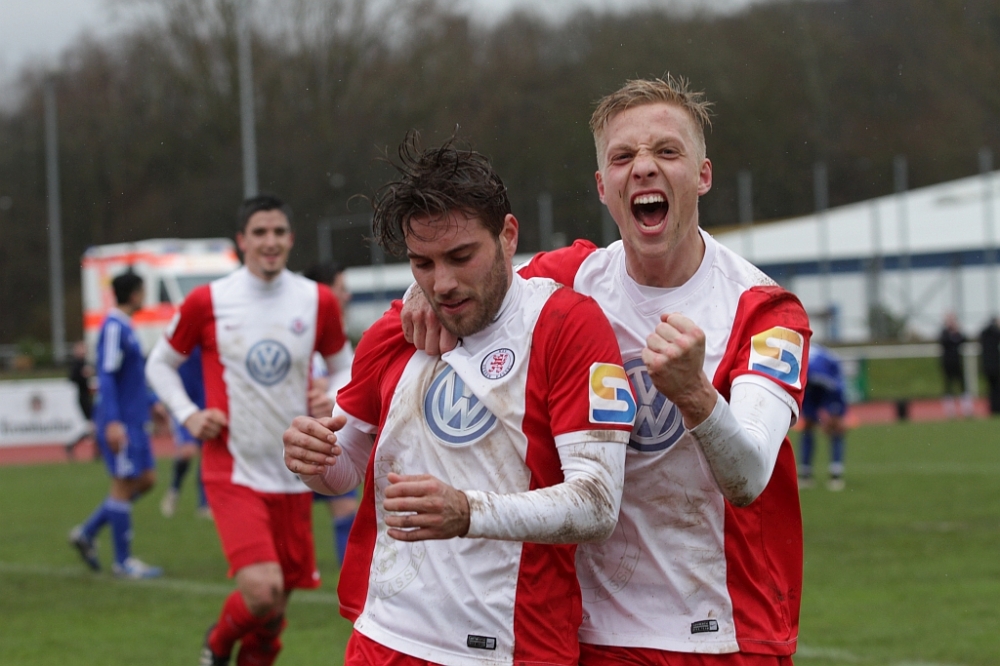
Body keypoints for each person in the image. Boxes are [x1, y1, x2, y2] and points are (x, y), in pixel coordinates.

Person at [403, 76, 811, 664]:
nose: (643, 168)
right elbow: (471, 274)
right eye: (623, 157)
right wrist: (418, 291)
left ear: (702, 175)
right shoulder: (570, 279)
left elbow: (749, 478)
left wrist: (695, 395)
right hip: (590, 633)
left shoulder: (763, 309)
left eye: (666, 151)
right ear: (603, 186)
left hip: (721, 629)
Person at [282, 135, 637, 665]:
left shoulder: (566, 324)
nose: (442, 283)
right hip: (385, 638)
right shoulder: (393, 330)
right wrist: (313, 459)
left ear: (509, 236)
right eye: (421, 263)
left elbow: (597, 505)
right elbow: (347, 467)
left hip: (511, 646)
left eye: (461, 256)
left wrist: (467, 511)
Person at [145, 194, 352, 666]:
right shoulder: (208, 301)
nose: (270, 241)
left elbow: (345, 366)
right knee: (262, 592)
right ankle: (216, 647)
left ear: (291, 239)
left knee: (276, 611)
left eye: (279, 232)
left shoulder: (316, 300)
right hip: (233, 469)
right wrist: (188, 414)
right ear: (242, 241)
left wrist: (334, 396)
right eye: (259, 232)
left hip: (295, 472)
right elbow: (160, 364)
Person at [68, 272, 164, 579]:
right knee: (123, 485)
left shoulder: (126, 326)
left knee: (147, 479)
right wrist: (111, 422)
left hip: (136, 419)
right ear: (135, 294)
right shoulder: (113, 328)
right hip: (121, 421)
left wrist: (152, 402)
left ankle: (87, 532)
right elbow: (107, 376)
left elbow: (130, 377)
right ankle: (123, 562)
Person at [303, 262, 357, 565]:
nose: (346, 296)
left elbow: (346, 375)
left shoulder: (338, 334)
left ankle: (350, 577)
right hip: (289, 446)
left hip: (328, 438)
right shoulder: (297, 329)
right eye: (341, 289)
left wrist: (332, 391)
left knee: (345, 508)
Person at [159, 347, 212, 519]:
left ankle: (204, 504)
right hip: (183, 406)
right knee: (187, 451)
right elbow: (161, 364)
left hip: (206, 403)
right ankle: (174, 490)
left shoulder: (210, 338)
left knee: (207, 454)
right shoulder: (179, 338)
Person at [796, 343, 848, 491]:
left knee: (835, 427)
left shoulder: (827, 367)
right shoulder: (800, 364)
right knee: (808, 426)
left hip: (829, 385)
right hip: (806, 386)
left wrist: (832, 416)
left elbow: (836, 388)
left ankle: (835, 473)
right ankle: (806, 473)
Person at [66, 340, 96, 460]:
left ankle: (96, 451)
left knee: (93, 426)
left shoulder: (86, 363)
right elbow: (72, 378)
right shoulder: (76, 364)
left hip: (89, 397)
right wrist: (83, 375)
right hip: (83, 398)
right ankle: (71, 445)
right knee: (93, 426)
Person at [939, 313, 972, 418]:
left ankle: (967, 409)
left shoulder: (957, 333)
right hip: (947, 364)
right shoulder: (944, 333)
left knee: (962, 385)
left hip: (957, 363)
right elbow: (945, 342)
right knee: (948, 386)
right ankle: (950, 411)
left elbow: (963, 340)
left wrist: (957, 331)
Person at [979, 316, 1000, 415]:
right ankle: (996, 408)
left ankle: (993, 408)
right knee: (996, 388)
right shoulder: (995, 334)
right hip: (995, 367)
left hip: (987, 367)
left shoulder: (984, 334)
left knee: (991, 389)